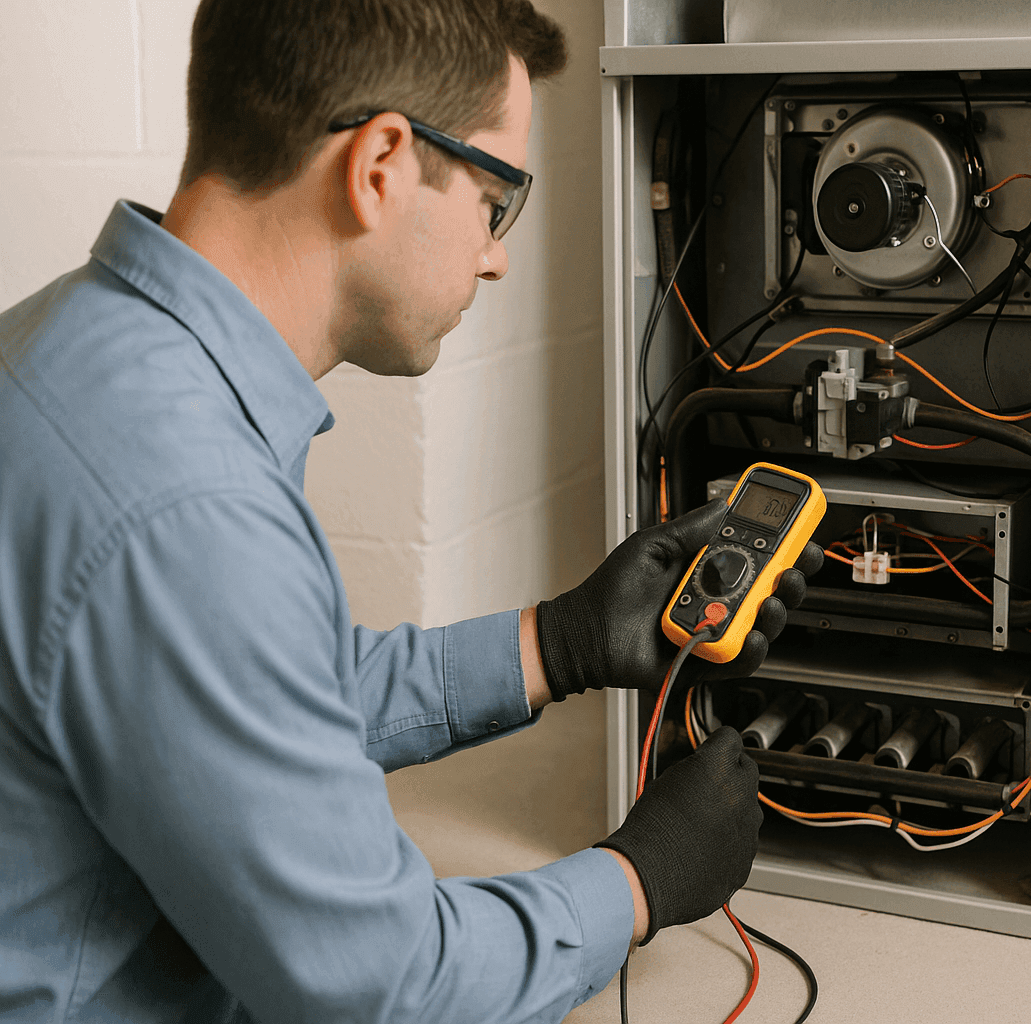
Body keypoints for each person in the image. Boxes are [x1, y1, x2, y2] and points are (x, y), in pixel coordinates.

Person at [0, 1, 821, 1020]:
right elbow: (381, 986)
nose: (496, 257)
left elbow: (251, 704)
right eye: (495, 199)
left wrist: (556, 643)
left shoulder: (65, 345)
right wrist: (640, 879)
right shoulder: (185, 501)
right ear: (382, 162)